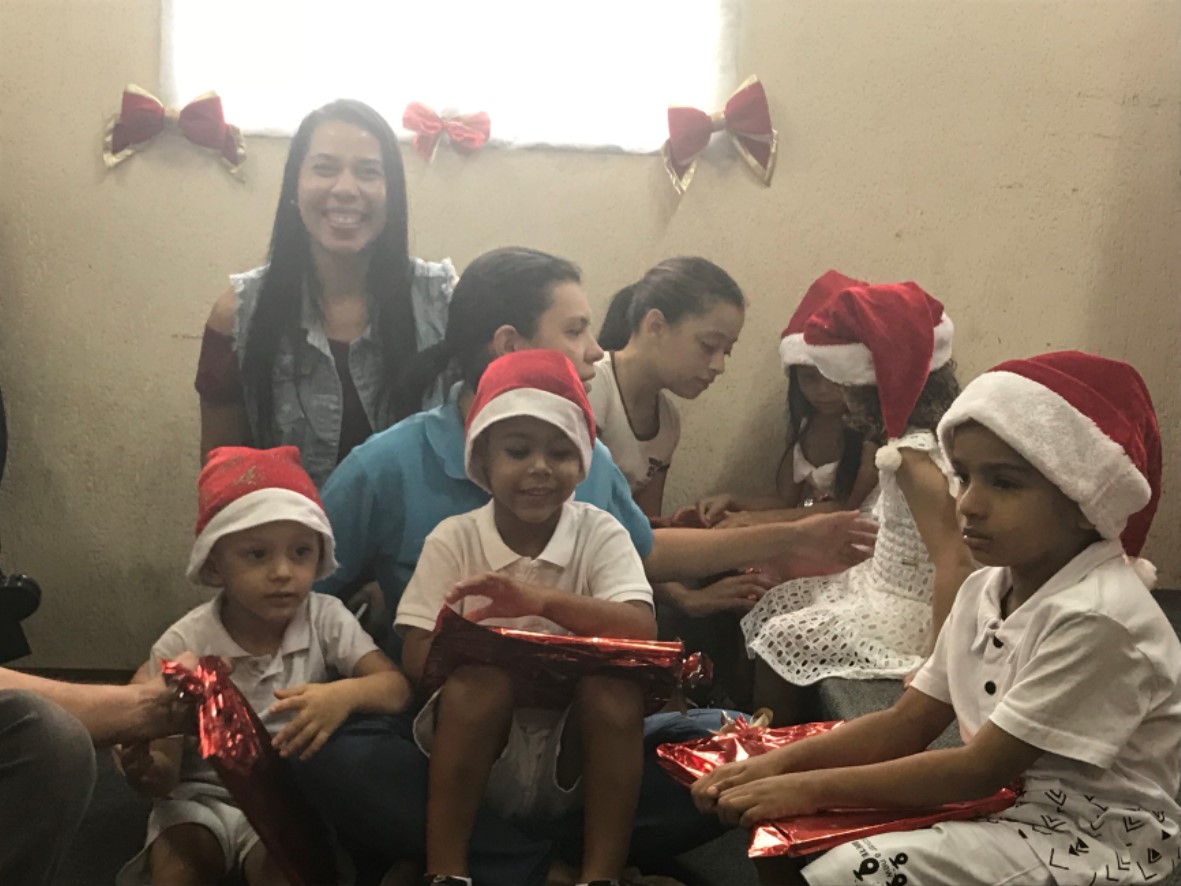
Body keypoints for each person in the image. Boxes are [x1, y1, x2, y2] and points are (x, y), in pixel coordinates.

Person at [294, 247, 876, 885]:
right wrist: (358, 680)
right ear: (508, 346)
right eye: (575, 330)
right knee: (328, 752)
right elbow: (303, 589)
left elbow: (643, 563)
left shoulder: (590, 464)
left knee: (738, 748)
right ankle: (539, 868)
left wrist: (782, 538)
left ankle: (521, 857)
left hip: (578, 744)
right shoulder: (390, 467)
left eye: (560, 453)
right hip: (447, 738)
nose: (597, 349)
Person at [692, 351, 1180, 886]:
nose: (968, 503)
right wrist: (774, 766)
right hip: (1008, 802)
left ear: (1084, 500)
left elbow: (979, 768)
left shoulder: (1099, 617)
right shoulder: (984, 590)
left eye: (1005, 483)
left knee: (851, 871)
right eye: (964, 476)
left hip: (1089, 838)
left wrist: (805, 788)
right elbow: (906, 723)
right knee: (781, 831)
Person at [398, 350, 656, 886]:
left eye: (560, 452)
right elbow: (416, 656)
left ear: (582, 462)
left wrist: (539, 602)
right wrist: (478, 655)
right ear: (482, 459)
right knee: (477, 689)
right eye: (517, 451)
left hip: (578, 754)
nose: (540, 468)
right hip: (477, 753)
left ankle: (599, 876)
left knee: (615, 694)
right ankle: (446, 873)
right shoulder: (454, 539)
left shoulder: (600, 532)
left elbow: (641, 630)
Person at [115, 446, 411, 886]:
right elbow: (165, 770)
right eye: (257, 554)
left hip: (288, 797)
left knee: (288, 873)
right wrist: (147, 770)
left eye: (301, 551)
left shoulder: (325, 618)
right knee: (179, 873)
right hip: (198, 799)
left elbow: (396, 688)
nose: (282, 572)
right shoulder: (185, 641)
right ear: (215, 563)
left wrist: (344, 695)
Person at [741, 276, 973, 724]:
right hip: (877, 581)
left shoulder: (913, 456)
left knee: (779, 639)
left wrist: (937, 664)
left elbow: (955, 561)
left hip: (910, 609)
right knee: (775, 602)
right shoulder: (905, 442)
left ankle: (772, 742)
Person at [196, 98, 456, 487]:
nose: (346, 189)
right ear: (294, 186)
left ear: (392, 193)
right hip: (287, 527)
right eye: (325, 168)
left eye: (368, 172)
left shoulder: (445, 304)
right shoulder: (236, 316)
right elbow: (223, 480)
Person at [694, 270, 880, 532]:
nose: (821, 390)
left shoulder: (873, 438)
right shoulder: (806, 424)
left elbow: (846, 509)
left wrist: (762, 521)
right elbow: (784, 501)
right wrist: (734, 502)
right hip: (813, 535)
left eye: (833, 379)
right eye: (809, 378)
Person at [0, 664, 199, 886]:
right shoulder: (175, 656)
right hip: (194, 800)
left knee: (55, 740)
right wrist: (147, 709)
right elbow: (161, 774)